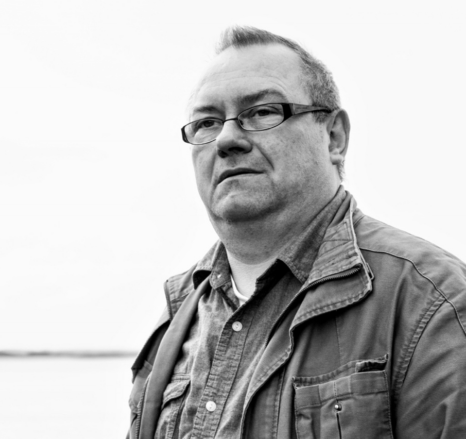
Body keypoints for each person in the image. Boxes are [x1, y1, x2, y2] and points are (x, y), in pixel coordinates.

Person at [127, 26, 466, 439]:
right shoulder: (178, 313)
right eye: (207, 122)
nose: (228, 139)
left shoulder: (431, 300)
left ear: (334, 137)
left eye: (263, 112)